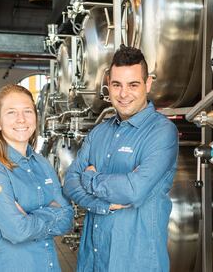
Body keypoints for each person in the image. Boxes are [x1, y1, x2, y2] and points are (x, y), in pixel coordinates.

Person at [63, 45, 179, 271]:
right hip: (92, 261)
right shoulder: (99, 133)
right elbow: (69, 182)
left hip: (136, 262)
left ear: (148, 84)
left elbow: (133, 191)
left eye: (133, 85)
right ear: (108, 85)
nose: (123, 94)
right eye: (117, 85)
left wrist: (90, 179)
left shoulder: (162, 132)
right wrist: (102, 205)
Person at [0, 84, 73, 271]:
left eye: (27, 111)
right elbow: (18, 231)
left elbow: (67, 217)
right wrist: (51, 213)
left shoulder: (41, 163)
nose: (21, 119)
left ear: (35, 117)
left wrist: (30, 217)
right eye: (11, 112)